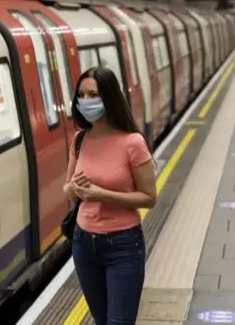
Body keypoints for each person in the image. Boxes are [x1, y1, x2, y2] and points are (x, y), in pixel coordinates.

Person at [62, 66, 157, 325]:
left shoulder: (132, 143)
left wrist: (102, 194)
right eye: (81, 95)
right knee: (102, 320)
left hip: (123, 246)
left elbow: (149, 197)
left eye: (93, 94)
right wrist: (74, 190)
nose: (86, 101)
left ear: (109, 97)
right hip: (83, 244)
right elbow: (68, 190)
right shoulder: (80, 140)